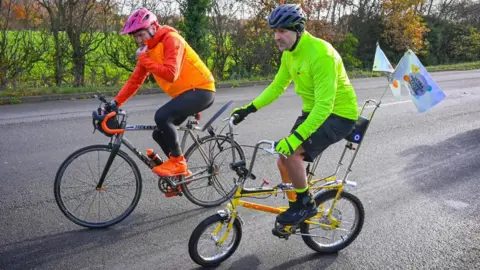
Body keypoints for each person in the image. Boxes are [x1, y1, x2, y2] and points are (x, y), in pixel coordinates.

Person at [231, 4, 359, 226]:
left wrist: (297, 138)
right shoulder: (290, 54)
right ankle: (296, 207)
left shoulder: (321, 54)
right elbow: (277, 87)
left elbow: (325, 106)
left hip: (338, 115)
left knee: (292, 153)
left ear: (298, 30)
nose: (276, 37)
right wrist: (248, 109)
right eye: (275, 31)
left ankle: (305, 205)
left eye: (282, 31)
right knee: (283, 161)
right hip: (314, 112)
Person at [111, 8, 216, 177]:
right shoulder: (148, 50)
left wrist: (144, 60)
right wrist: (115, 103)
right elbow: (135, 80)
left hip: (202, 90)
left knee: (162, 116)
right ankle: (181, 177)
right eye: (135, 37)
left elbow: (170, 74)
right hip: (185, 94)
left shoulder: (171, 39)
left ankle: (178, 163)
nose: (139, 40)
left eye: (141, 35)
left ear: (153, 27)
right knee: (159, 133)